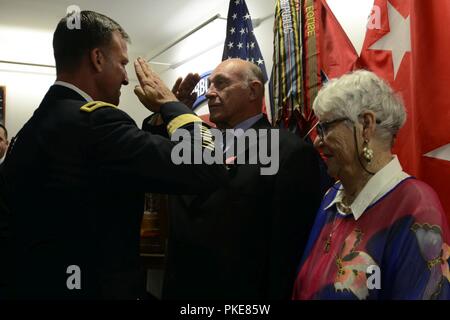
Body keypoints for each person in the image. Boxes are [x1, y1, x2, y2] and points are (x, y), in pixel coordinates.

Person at [0, 11, 228, 299]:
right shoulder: (95, 121)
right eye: (121, 63)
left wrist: (162, 119)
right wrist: (174, 108)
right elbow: (207, 166)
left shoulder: (38, 124)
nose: (124, 78)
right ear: (97, 59)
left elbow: (126, 167)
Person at [147, 59, 322, 299]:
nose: (209, 93)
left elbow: (288, 250)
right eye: (209, 84)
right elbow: (155, 168)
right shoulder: (197, 143)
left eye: (221, 83)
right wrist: (167, 116)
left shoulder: (289, 152)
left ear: (253, 90)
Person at [292, 70, 450, 300]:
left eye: (325, 128)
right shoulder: (332, 197)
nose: (317, 140)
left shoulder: (417, 209)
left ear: (366, 125)